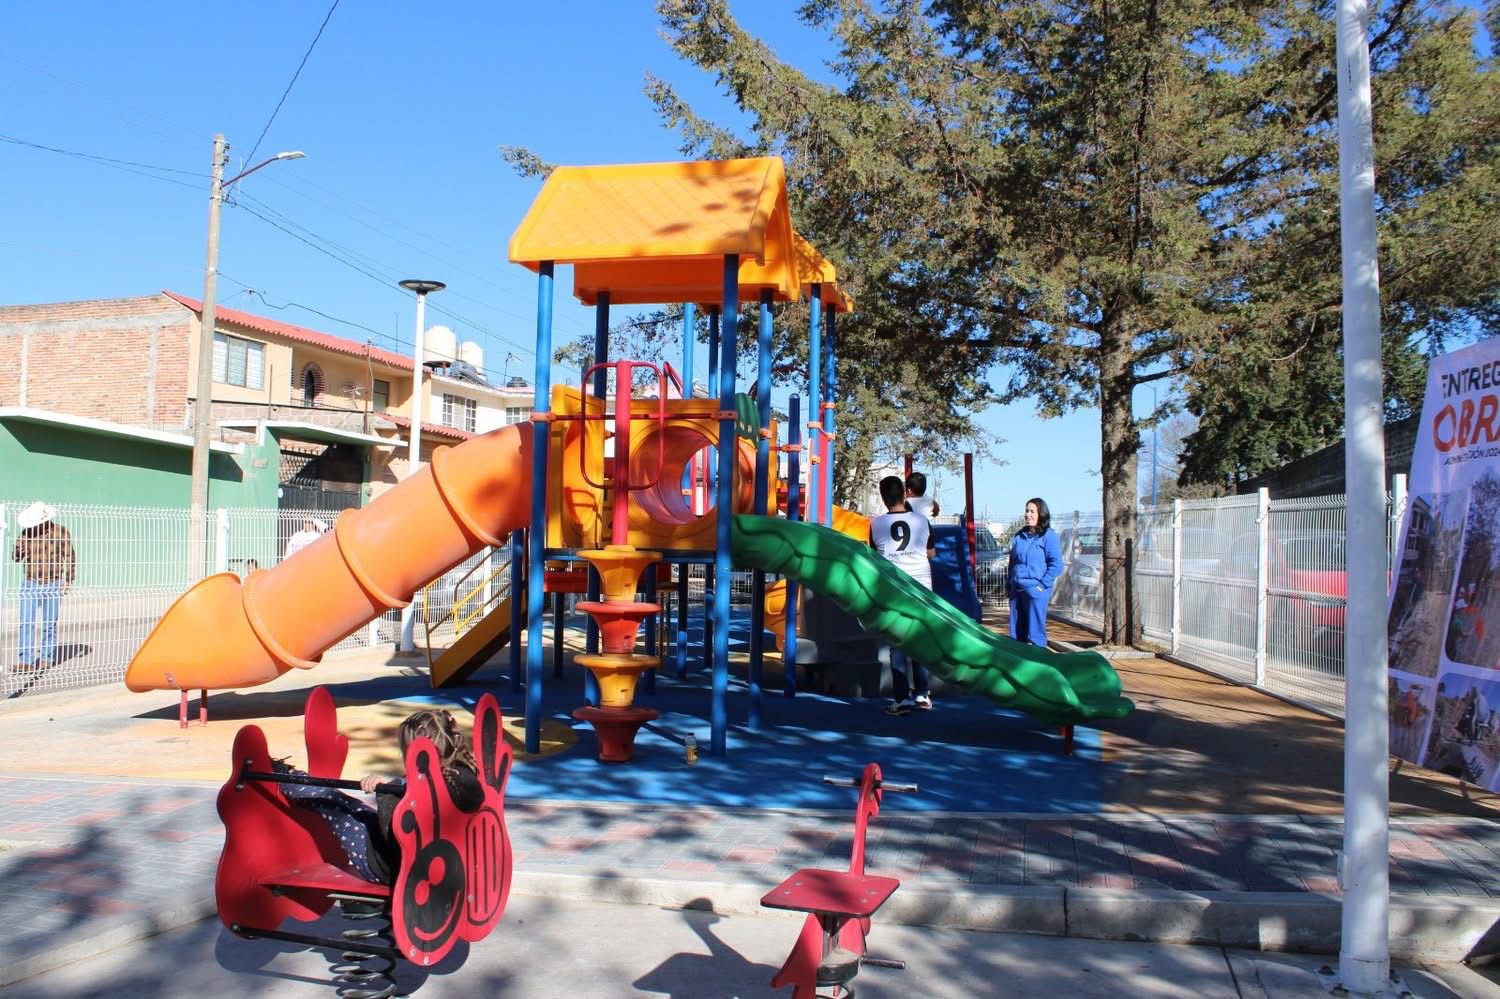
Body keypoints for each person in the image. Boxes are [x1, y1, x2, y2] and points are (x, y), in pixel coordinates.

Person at [277, 708, 483, 885]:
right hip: (426, 863)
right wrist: (390, 786)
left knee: (331, 799)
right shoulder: (461, 777)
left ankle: (283, 777)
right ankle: (291, 776)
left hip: (388, 867)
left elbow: (393, 832)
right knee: (353, 805)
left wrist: (385, 790)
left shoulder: (422, 786)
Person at [870, 475, 935, 715]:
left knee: (897, 644)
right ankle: (922, 695)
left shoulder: (876, 524)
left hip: (894, 589)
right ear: (904, 494)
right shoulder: (921, 521)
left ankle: (902, 698)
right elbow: (931, 553)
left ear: (883, 497)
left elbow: (875, 556)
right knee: (920, 642)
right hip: (921, 588)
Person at [11, 502, 75, 673]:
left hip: (53, 584)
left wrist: (68, 581)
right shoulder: (26, 533)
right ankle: (27, 660)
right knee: (26, 622)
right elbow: (16, 558)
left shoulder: (61, 532)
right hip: (30, 583)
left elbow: (69, 557)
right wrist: (18, 550)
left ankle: (46, 658)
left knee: (49, 624)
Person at [1008, 498, 1063, 648]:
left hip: (1035, 590)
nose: (1028, 514)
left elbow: (1056, 564)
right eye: (1026, 511)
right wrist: (1010, 584)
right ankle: (1018, 659)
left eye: (1032, 511)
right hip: (1016, 590)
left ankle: (1039, 659)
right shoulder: (1019, 536)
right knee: (1016, 634)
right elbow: (1012, 562)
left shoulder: (1048, 536)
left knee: (1035, 635)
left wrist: (1041, 586)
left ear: (1041, 514)